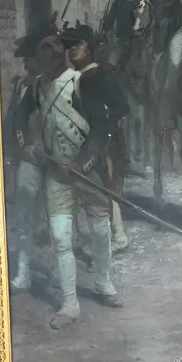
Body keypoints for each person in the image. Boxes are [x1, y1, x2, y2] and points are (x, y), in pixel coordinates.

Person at [14, 31, 122, 330]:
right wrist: (25, 145)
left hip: (88, 171)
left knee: (100, 231)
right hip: (56, 175)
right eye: (44, 46)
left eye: (55, 44)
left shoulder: (83, 82)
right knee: (61, 237)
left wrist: (82, 162)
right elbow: (18, 120)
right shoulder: (36, 89)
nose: (52, 50)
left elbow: (101, 130)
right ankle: (69, 303)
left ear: (63, 49)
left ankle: (103, 283)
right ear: (37, 56)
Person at [60, 24, 131, 252]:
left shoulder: (101, 74)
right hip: (79, 141)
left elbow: (121, 106)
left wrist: (104, 128)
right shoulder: (70, 79)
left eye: (78, 45)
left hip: (103, 140)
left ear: (89, 49)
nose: (73, 50)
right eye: (70, 46)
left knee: (106, 187)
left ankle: (118, 236)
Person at [3, 32, 45, 293]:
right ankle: (24, 272)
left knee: (59, 219)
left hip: (56, 158)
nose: (27, 63)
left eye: (30, 58)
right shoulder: (22, 86)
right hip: (28, 156)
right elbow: (12, 120)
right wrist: (13, 151)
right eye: (26, 59)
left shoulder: (55, 83)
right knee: (24, 216)